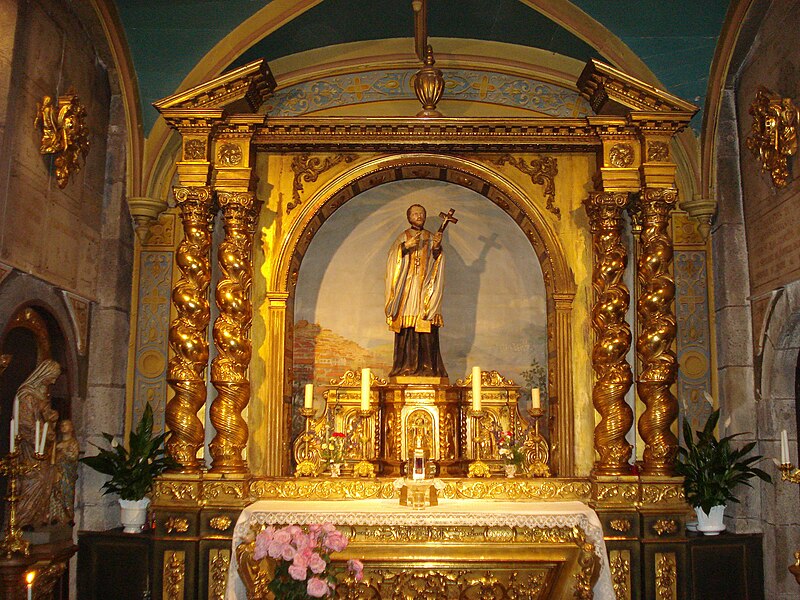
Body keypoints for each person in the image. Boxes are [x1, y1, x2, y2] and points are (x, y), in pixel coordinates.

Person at [385, 204, 448, 378]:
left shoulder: (429, 236)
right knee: (406, 328)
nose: (419, 216)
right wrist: (404, 247)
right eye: (415, 213)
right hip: (406, 289)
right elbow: (392, 258)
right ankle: (404, 367)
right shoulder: (403, 237)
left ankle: (428, 368)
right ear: (409, 217)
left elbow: (437, 260)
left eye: (421, 213)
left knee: (426, 325)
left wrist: (436, 248)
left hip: (424, 289)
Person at [15, 359, 61, 528]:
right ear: (44, 374)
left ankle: (37, 517)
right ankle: (22, 520)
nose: (54, 381)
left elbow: (46, 416)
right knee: (34, 478)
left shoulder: (42, 394)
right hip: (30, 446)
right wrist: (43, 431)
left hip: (44, 445)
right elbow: (25, 423)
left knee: (47, 478)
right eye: (53, 377)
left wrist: (51, 418)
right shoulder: (27, 395)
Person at [50, 419, 80, 525]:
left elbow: (74, 457)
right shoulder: (57, 443)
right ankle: (55, 515)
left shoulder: (73, 443)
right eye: (62, 425)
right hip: (57, 472)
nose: (63, 427)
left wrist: (64, 451)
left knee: (66, 493)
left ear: (71, 428)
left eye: (66, 425)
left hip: (67, 473)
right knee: (55, 493)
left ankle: (67, 515)